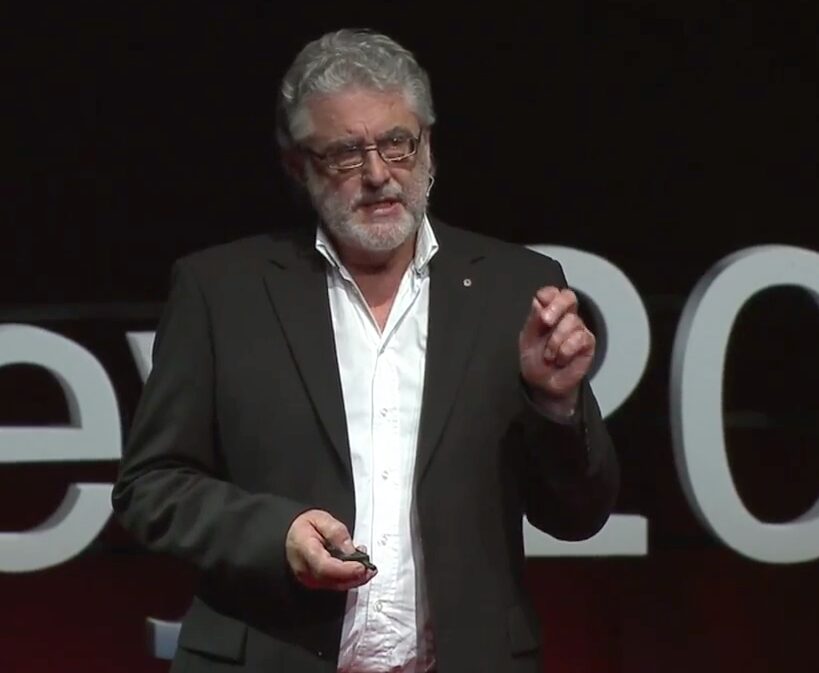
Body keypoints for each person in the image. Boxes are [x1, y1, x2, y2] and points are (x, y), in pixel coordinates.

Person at [112, 28, 619, 673]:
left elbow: (579, 516)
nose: (379, 175)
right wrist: (277, 536)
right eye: (346, 155)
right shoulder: (222, 292)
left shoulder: (515, 287)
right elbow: (150, 488)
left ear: (428, 145)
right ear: (298, 165)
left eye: (397, 144)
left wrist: (556, 403)